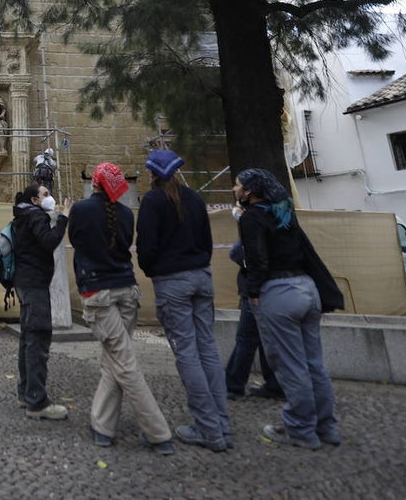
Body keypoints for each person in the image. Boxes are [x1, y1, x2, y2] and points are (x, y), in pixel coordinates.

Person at [68, 163, 175, 455]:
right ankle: (103, 426)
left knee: (124, 364)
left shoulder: (80, 210)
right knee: (114, 360)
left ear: (94, 184)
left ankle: (158, 432)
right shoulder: (127, 214)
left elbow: (76, 241)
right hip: (127, 291)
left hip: (98, 291)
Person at [234, 168, 340, 450]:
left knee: (290, 366)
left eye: (238, 185)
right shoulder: (284, 214)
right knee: (314, 364)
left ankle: (300, 427)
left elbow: (256, 258)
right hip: (307, 288)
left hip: (278, 293)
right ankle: (326, 426)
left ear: (249, 191)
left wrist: (253, 291)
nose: (235, 189)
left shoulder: (252, 219)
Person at [137, 149, 232, 452]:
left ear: (152, 173)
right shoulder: (193, 198)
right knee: (208, 350)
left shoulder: (152, 201)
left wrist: (155, 271)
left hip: (172, 282)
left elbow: (146, 247)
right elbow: (206, 240)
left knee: (187, 353)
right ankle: (222, 425)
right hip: (201, 277)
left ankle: (207, 429)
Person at [12, 182, 72, 420]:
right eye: (46, 194)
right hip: (34, 283)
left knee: (28, 338)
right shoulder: (36, 215)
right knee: (38, 339)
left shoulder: (23, 214)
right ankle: (36, 401)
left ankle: (24, 392)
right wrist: (63, 218)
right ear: (35, 200)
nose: (50, 197)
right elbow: (49, 242)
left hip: (25, 282)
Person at [223, 237, 284, 401]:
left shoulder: (255, 220)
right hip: (275, 289)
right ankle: (275, 384)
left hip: (255, 291)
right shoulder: (281, 225)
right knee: (267, 340)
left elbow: (237, 252)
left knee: (245, 339)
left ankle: (233, 386)